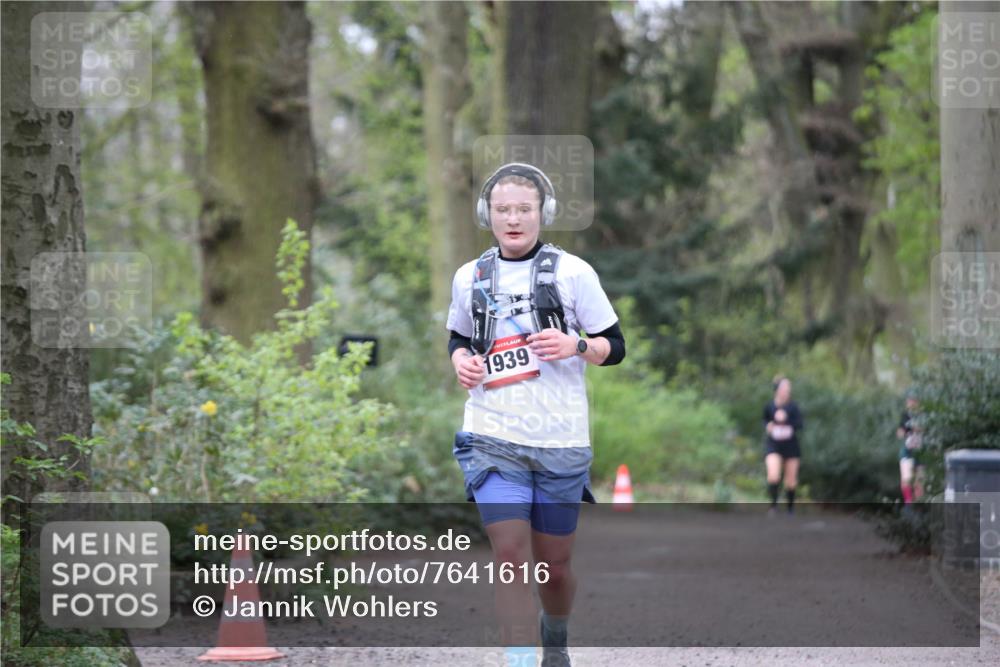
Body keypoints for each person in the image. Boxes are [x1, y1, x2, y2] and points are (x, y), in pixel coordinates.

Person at [446, 162, 625, 667]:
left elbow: (616, 346)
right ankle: (520, 657)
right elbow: (458, 337)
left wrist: (576, 344)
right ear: (488, 215)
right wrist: (461, 360)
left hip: (560, 441)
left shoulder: (574, 273)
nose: (513, 219)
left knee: (555, 567)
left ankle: (556, 638)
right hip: (491, 436)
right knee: (508, 554)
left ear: (542, 213)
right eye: (502, 210)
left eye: (523, 209)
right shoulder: (470, 276)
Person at [763, 376, 804, 515]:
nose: (787, 390)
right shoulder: (769, 406)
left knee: (791, 481)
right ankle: (773, 507)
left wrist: (786, 420)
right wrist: (768, 425)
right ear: (777, 390)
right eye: (785, 387)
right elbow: (764, 420)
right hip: (774, 444)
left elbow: (800, 424)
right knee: (773, 475)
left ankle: (790, 509)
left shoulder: (794, 407)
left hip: (791, 446)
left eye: (788, 388)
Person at [897, 395, 923, 504]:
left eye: (913, 401)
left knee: (920, 480)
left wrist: (918, 429)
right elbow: (899, 433)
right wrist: (905, 432)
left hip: (921, 451)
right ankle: (909, 504)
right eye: (909, 401)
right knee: (906, 479)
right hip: (907, 451)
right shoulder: (905, 416)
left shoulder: (924, 416)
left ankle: (919, 504)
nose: (911, 403)